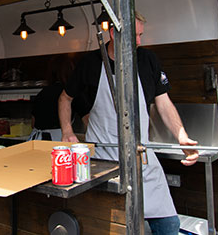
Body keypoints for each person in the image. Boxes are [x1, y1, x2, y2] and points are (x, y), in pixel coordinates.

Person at [58, 12, 199, 234]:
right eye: (136, 35)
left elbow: (164, 103)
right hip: (104, 161)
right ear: (114, 33)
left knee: (169, 224)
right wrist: (67, 130)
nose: (140, 41)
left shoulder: (148, 60)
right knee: (112, 226)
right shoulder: (91, 64)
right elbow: (65, 99)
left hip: (141, 156)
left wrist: (181, 136)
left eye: (141, 35)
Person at [28, 55, 75, 141]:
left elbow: (33, 123)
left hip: (36, 139)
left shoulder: (42, 93)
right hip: (58, 140)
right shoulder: (69, 93)